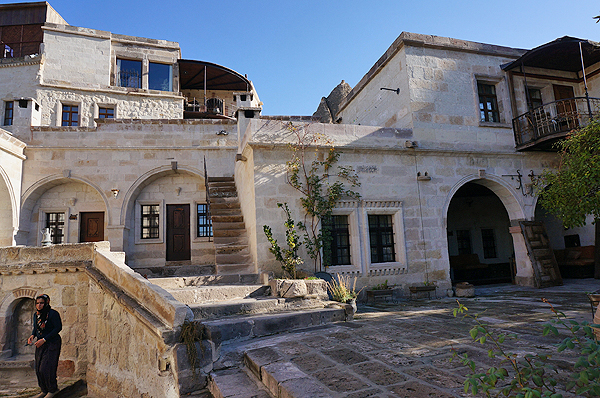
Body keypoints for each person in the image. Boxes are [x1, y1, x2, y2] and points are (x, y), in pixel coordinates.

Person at [27, 294, 62, 398]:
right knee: (38, 368)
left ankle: (52, 390)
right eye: (37, 303)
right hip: (40, 343)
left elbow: (58, 328)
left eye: (41, 303)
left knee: (47, 367)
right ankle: (44, 390)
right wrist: (33, 335)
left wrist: (44, 339)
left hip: (52, 343)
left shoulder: (53, 314)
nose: (39, 305)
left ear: (47, 302)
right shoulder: (36, 315)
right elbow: (36, 327)